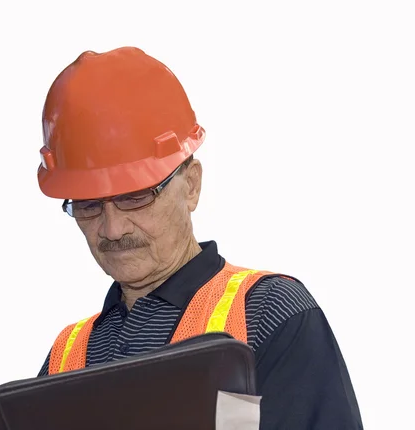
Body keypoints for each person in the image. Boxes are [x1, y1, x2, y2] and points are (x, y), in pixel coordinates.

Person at [35, 46, 363, 429]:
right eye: (89, 205)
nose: (112, 229)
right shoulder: (67, 354)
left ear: (190, 185)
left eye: (135, 197)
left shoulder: (266, 315)